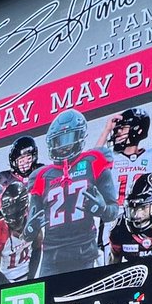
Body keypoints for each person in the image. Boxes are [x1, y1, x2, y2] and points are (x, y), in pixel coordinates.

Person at [27, 109, 118, 276]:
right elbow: (29, 231)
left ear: (79, 137)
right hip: (52, 257)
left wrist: (102, 209)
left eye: (66, 138)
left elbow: (113, 212)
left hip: (84, 253)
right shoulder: (41, 176)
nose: (62, 146)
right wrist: (30, 229)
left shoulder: (93, 162)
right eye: (58, 140)